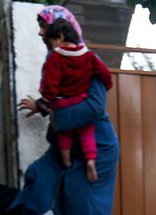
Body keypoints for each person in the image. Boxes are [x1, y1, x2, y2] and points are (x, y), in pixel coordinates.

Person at [9, 5, 118, 215]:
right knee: (39, 176)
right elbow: (61, 95)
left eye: (44, 28)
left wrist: (53, 112)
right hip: (63, 144)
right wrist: (42, 106)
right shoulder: (56, 59)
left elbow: (93, 107)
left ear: (61, 30)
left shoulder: (87, 61)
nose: (39, 33)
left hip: (96, 146)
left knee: (85, 205)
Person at [38, 17, 113, 182]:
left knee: (64, 134)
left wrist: (44, 101)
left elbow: (51, 85)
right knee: (86, 132)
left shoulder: (56, 58)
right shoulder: (89, 55)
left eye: (51, 42)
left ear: (60, 37)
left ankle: (66, 161)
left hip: (62, 102)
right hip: (81, 99)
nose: (51, 47)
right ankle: (91, 161)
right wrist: (107, 85)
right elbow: (105, 74)